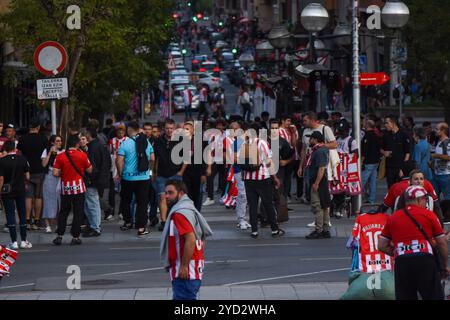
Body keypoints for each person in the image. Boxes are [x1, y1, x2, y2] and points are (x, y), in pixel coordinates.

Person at [379, 185, 450, 300]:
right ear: (418, 199)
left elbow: (381, 245)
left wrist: (398, 251)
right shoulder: (429, 215)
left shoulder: (393, 218)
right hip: (424, 260)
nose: (425, 202)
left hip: (402, 262)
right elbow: (441, 243)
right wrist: (445, 265)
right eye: (424, 199)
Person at [160, 180, 212, 300]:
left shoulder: (180, 214)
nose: (166, 196)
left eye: (170, 193)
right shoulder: (189, 209)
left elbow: (191, 239)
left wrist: (184, 266)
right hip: (192, 270)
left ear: (181, 193)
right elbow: (201, 237)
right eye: (166, 192)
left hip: (185, 273)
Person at [240, 123, 284, 239]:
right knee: (268, 203)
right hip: (262, 178)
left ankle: (254, 231)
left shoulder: (244, 144)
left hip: (248, 179)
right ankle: (274, 229)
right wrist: (274, 177)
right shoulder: (262, 143)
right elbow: (269, 162)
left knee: (252, 205)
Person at [52, 135, 93, 246]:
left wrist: (64, 172)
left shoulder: (60, 156)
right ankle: (75, 237)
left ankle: (59, 235)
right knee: (78, 212)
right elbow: (90, 170)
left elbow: (55, 173)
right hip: (78, 188)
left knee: (63, 212)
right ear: (77, 144)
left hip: (65, 189)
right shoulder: (82, 155)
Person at [117, 121, 155, 236]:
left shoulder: (125, 143)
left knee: (126, 201)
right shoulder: (146, 142)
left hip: (128, 178)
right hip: (143, 177)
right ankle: (141, 228)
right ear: (138, 129)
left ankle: (128, 222)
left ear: (129, 130)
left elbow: (119, 161)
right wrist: (150, 171)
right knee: (142, 202)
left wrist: (120, 174)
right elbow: (152, 158)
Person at [153, 119, 185, 231]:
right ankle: (163, 221)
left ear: (174, 129)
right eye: (167, 128)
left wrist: (181, 172)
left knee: (176, 199)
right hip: (162, 175)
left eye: (171, 128)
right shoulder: (158, 141)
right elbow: (154, 158)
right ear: (164, 129)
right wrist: (153, 172)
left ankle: (176, 220)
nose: (169, 130)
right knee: (162, 197)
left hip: (175, 174)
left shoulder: (180, 140)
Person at [0, 141, 33, 250]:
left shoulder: (2, 161)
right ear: (14, 148)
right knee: (22, 214)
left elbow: (1, 178)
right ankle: (23, 240)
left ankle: (13, 241)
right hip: (20, 189)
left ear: (5, 149)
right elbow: (27, 176)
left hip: (7, 191)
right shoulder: (22, 159)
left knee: (10, 214)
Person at [17, 119, 48, 231]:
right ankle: (37, 220)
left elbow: (19, 154)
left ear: (30, 127)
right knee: (38, 196)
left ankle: (27, 220)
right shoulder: (43, 138)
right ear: (38, 127)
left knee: (28, 196)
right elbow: (46, 153)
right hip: (40, 170)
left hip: (26, 171)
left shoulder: (23, 139)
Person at [82, 129, 111, 237]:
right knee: (92, 203)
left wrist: (91, 177)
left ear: (89, 135)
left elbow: (92, 165)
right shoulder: (101, 145)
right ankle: (93, 225)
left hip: (93, 179)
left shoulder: (93, 147)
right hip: (98, 178)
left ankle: (95, 227)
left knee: (92, 203)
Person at [305, 132, 332, 239]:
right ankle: (325, 230)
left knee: (318, 206)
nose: (309, 141)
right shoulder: (320, 149)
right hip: (321, 181)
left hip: (319, 181)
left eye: (310, 139)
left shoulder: (319, 151)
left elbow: (321, 168)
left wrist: (316, 183)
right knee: (324, 205)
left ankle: (319, 230)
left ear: (315, 139)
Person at [224, 121, 250, 230]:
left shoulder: (246, 139)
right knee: (242, 194)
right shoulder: (234, 142)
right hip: (239, 171)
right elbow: (233, 158)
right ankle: (241, 219)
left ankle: (245, 218)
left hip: (250, 170)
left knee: (247, 195)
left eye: (236, 129)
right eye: (232, 129)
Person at [41, 135, 64, 233]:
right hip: (49, 176)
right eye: (57, 141)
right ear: (52, 142)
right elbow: (43, 164)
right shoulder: (46, 150)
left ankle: (58, 224)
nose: (59, 143)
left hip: (60, 176)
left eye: (60, 141)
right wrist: (50, 153)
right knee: (48, 199)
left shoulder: (63, 152)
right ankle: (47, 224)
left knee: (60, 200)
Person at [381, 115, 411, 188]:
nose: (385, 125)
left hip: (400, 167)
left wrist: (403, 168)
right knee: (391, 188)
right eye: (384, 123)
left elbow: (407, 153)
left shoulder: (404, 134)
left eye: (387, 123)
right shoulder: (386, 135)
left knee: (400, 189)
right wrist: (384, 152)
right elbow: (380, 148)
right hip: (389, 168)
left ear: (393, 123)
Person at [361, 120, 381, 204]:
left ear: (368, 125)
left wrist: (361, 161)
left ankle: (356, 198)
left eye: (365, 124)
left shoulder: (367, 136)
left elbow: (365, 150)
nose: (363, 125)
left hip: (368, 162)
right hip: (376, 161)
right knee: (373, 182)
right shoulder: (376, 136)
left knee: (362, 181)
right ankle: (371, 200)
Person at [431, 122, 450, 200]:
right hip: (436, 174)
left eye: (437, 129)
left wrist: (435, 156)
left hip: (446, 175)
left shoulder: (448, 142)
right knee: (435, 198)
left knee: (447, 198)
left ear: (443, 131)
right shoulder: (438, 141)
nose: (435, 130)